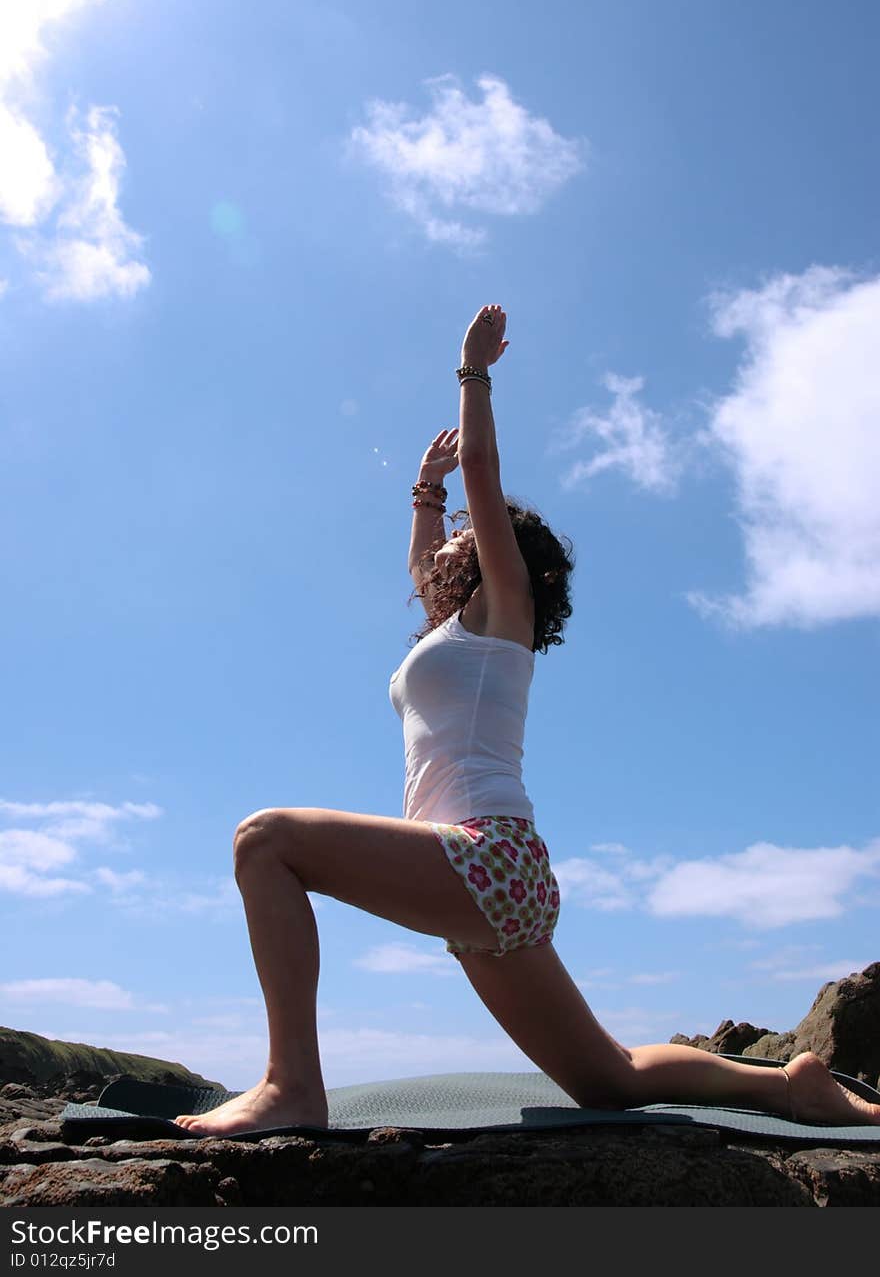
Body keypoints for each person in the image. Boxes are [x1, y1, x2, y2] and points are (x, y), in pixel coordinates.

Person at [174, 305, 880, 1137]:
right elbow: (422, 556)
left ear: (493, 557)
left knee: (265, 840)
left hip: (487, 858)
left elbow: (484, 470)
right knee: (608, 1081)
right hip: (493, 885)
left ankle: (291, 1086)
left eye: (462, 535)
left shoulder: (504, 614)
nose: (442, 548)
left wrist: (472, 372)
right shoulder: (456, 634)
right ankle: (793, 1086)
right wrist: (422, 491)